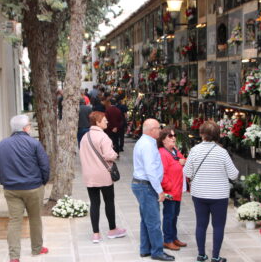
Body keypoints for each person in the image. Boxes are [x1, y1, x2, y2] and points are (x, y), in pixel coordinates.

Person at [0, 115, 50, 262]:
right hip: (33, 188)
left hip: (11, 189)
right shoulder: (34, 143)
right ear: (26, 128)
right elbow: (45, 166)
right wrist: (42, 182)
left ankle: (14, 256)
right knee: (35, 219)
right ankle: (37, 249)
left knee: (14, 221)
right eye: (29, 125)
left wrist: (5, 181)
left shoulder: (2, 144)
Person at [183, 121, 239, 262]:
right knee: (218, 226)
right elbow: (233, 175)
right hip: (219, 195)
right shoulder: (222, 152)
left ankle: (201, 255)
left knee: (201, 224)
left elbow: (187, 172)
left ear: (202, 134)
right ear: (217, 135)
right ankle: (215, 256)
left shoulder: (195, 150)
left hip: (199, 193)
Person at [79, 111, 127, 243]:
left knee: (94, 203)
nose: (107, 121)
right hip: (103, 174)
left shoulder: (85, 137)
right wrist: (115, 154)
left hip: (89, 174)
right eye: (104, 120)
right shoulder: (103, 137)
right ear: (97, 122)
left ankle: (96, 234)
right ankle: (112, 230)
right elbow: (109, 155)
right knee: (109, 201)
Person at [132, 119, 175, 261]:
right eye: (158, 128)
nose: (160, 130)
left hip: (142, 184)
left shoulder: (146, 142)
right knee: (154, 221)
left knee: (146, 219)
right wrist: (159, 191)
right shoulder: (148, 145)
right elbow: (150, 170)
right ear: (151, 130)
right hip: (146, 185)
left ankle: (145, 248)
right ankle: (157, 251)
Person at [157, 128, 187, 251]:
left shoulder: (174, 150)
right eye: (170, 136)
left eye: (174, 135)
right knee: (169, 215)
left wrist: (183, 161)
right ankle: (167, 240)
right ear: (163, 139)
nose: (174, 138)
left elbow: (184, 160)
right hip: (170, 191)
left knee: (175, 214)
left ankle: (174, 237)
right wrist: (168, 188)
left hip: (177, 189)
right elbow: (161, 173)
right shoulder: (162, 153)